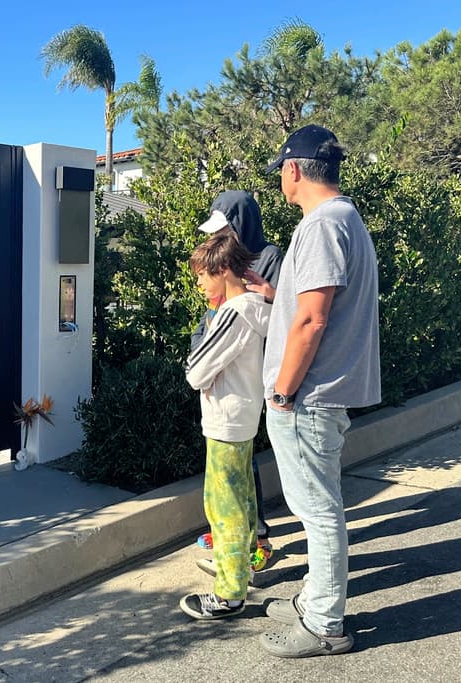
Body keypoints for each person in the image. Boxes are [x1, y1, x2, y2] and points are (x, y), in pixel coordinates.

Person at [247, 125, 381, 657]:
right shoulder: (344, 218)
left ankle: (324, 623)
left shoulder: (323, 224)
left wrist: (282, 393)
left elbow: (313, 319)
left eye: (280, 171)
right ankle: (314, 600)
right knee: (319, 505)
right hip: (322, 393)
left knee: (318, 511)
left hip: (309, 397)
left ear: (293, 169)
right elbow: (311, 305)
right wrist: (275, 294)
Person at [178, 229, 271, 620]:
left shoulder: (233, 314)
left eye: (203, 275)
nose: (199, 283)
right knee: (243, 497)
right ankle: (243, 565)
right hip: (243, 415)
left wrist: (197, 363)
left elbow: (197, 371)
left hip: (225, 420)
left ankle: (229, 592)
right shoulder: (259, 306)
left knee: (223, 505)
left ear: (223, 270)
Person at [192, 190, 282, 573]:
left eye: (224, 229)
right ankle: (235, 537)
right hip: (225, 378)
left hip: (246, 379)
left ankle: (250, 547)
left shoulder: (268, 258)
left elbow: (276, 314)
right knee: (232, 478)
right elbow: (212, 318)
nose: (218, 238)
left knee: (237, 477)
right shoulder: (223, 264)